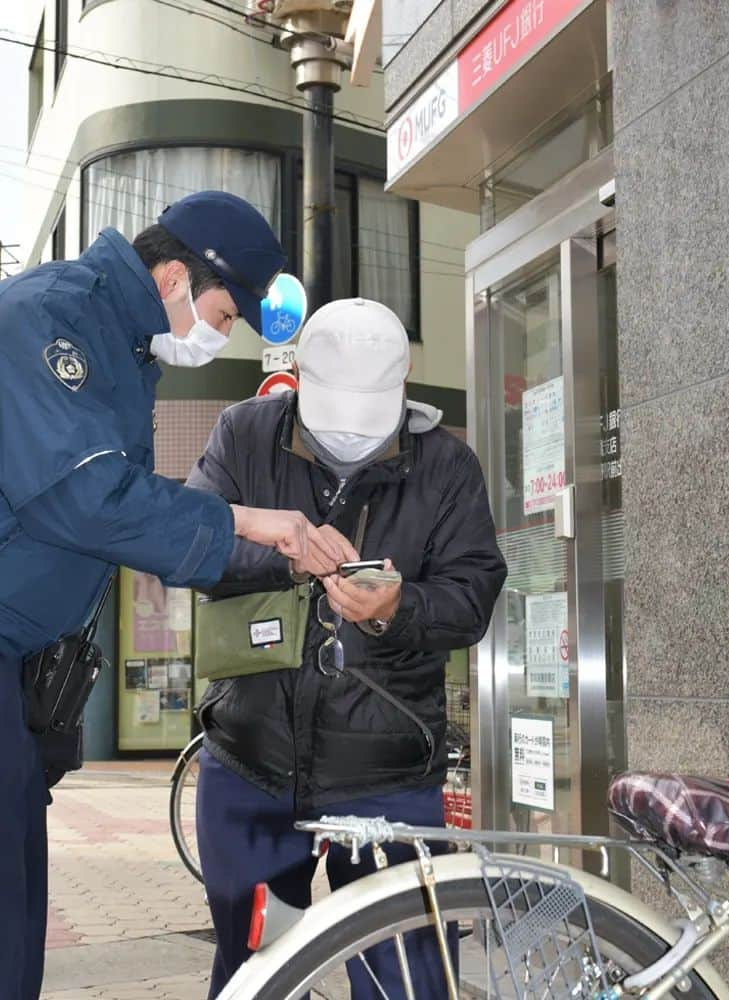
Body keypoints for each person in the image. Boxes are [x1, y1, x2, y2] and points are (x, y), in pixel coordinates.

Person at [0, 191, 344, 1000]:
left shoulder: (117, 346)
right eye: (219, 311)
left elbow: (111, 517)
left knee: (7, 920)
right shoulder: (48, 317)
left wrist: (273, 551)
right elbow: (82, 498)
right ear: (173, 275)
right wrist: (251, 521)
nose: (215, 334)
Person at [186, 297, 508, 998]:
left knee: (406, 979)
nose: (350, 439)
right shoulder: (244, 434)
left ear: (406, 377)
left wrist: (400, 606)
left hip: (391, 774)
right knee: (252, 973)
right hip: (252, 761)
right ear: (298, 374)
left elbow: (475, 594)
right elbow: (187, 552)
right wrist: (286, 559)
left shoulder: (447, 465)